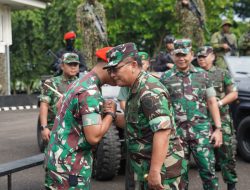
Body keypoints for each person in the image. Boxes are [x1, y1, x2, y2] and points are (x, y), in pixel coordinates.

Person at [104, 42, 187, 190]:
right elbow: (134, 124)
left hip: (163, 170)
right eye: (110, 70)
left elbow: (163, 131)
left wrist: (155, 171)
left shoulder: (149, 90)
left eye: (116, 69)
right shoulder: (134, 88)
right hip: (144, 167)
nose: (112, 74)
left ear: (134, 65)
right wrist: (114, 115)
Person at [44, 48, 117, 189]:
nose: (116, 74)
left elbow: (60, 106)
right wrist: (110, 114)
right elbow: (94, 137)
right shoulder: (90, 91)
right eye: (116, 68)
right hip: (71, 166)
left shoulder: (79, 82)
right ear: (108, 66)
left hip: (57, 160)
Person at [160, 39, 223, 190]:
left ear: (192, 54)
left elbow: (212, 102)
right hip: (176, 136)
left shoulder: (203, 75)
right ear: (172, 55)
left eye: (185, 54)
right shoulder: (165, 78)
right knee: (179, 178)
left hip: (201, 134)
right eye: (178, 55)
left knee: (209, 173)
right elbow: (162, 106)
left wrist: (218, 129)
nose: (181, 58)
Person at [197, 46, 238, 190]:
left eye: (204, 56)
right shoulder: (195, 74)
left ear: (213, 57)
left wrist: (219, 103)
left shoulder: (222, 73)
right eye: (199, 57)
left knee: (227, 157)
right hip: (202, 122)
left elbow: (233, 94)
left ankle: (231, 186)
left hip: (223, 120)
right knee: (206, 159)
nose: (201, 59)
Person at [39, 52, 80, 144]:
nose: (73, 67)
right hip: (55, 128)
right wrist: (44, 127)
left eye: (75, 64)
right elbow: (44, 105)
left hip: (75, 129)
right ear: (62, 66)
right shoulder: (51, 83)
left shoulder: (81, 83)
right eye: (69, 64)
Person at [76, 0, 107, 69]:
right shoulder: (81, 7)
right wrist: (87, 18)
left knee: (98, 55)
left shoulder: (100, 7)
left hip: (98, 37)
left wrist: (104, 35)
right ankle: (88, 72)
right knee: (87, 56)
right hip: (87, 38)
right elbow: (79, 22)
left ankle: (98, 72)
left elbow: (103, 23)